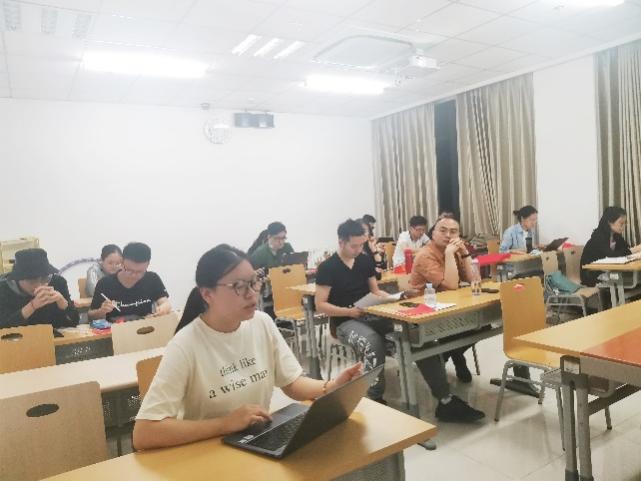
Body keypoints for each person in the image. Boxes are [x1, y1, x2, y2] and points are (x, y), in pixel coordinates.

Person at [132, 244, 363, 450]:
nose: (252, 294)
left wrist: (331, 387)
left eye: (254, 282)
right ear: (207, 294)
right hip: (205, 453)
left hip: (255, 443)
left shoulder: (261, 323)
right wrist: (225, 424)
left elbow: (292, 383)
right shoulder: (185, 344)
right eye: (238, 286)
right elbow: (144, 433)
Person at [315, 219, 484, 422]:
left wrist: (395, 297)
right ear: (341, 242)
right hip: (345, 321)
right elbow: (320, 305)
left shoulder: (364, 261)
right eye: (354, 246)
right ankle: (375, 397)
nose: (359, 250)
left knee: (418, 336)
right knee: (371, 341)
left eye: (361, 245)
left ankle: (445, 400)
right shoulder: (328, 267)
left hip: (372, 312)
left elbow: (375, 291)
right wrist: (349, 312)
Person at [410, 213, 478, 383]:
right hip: (425, 311)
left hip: (449, 306)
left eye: (453, 231)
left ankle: (444, 355)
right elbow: (451, 285)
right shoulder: (425, 255)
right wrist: (449, 254)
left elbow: (473, 280)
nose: (448, 235)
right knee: (466, 326)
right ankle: (451, 357)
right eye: (443, 230)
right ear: (433, 233)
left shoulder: (454, 251)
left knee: (482, 325)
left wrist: (465, 253)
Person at [88, 242, 171, 321]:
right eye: (129, 270)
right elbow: (90, 316)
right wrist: (101, 311)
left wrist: (164, 308)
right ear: (122, 262)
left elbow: (165, 302)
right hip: (116, 329)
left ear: (148, 264)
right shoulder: (105, 283)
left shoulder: (152, 279)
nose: (134, 275)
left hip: (145, 327)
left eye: (140, 271)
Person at [0, 248, 79, 329]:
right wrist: (32, 306)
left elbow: (74, 322)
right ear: (18, 278)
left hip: (54, 335)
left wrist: (64, 304)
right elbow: (3, 327)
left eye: (44, 279)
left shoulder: (58, 282)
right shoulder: (3, 289)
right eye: (32, 281)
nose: (39, 285)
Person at [581, 206, 641, 287]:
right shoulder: (598, 236)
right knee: (623, 280)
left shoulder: (615, 235)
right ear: (610, 222)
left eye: (625, 223)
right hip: (591, 274)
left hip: (605, 271)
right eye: (621, 223)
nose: (624, 226)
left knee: (632, 279)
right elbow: (611, 255)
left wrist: (634, 252)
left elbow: (626, 249)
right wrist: (636, 249)